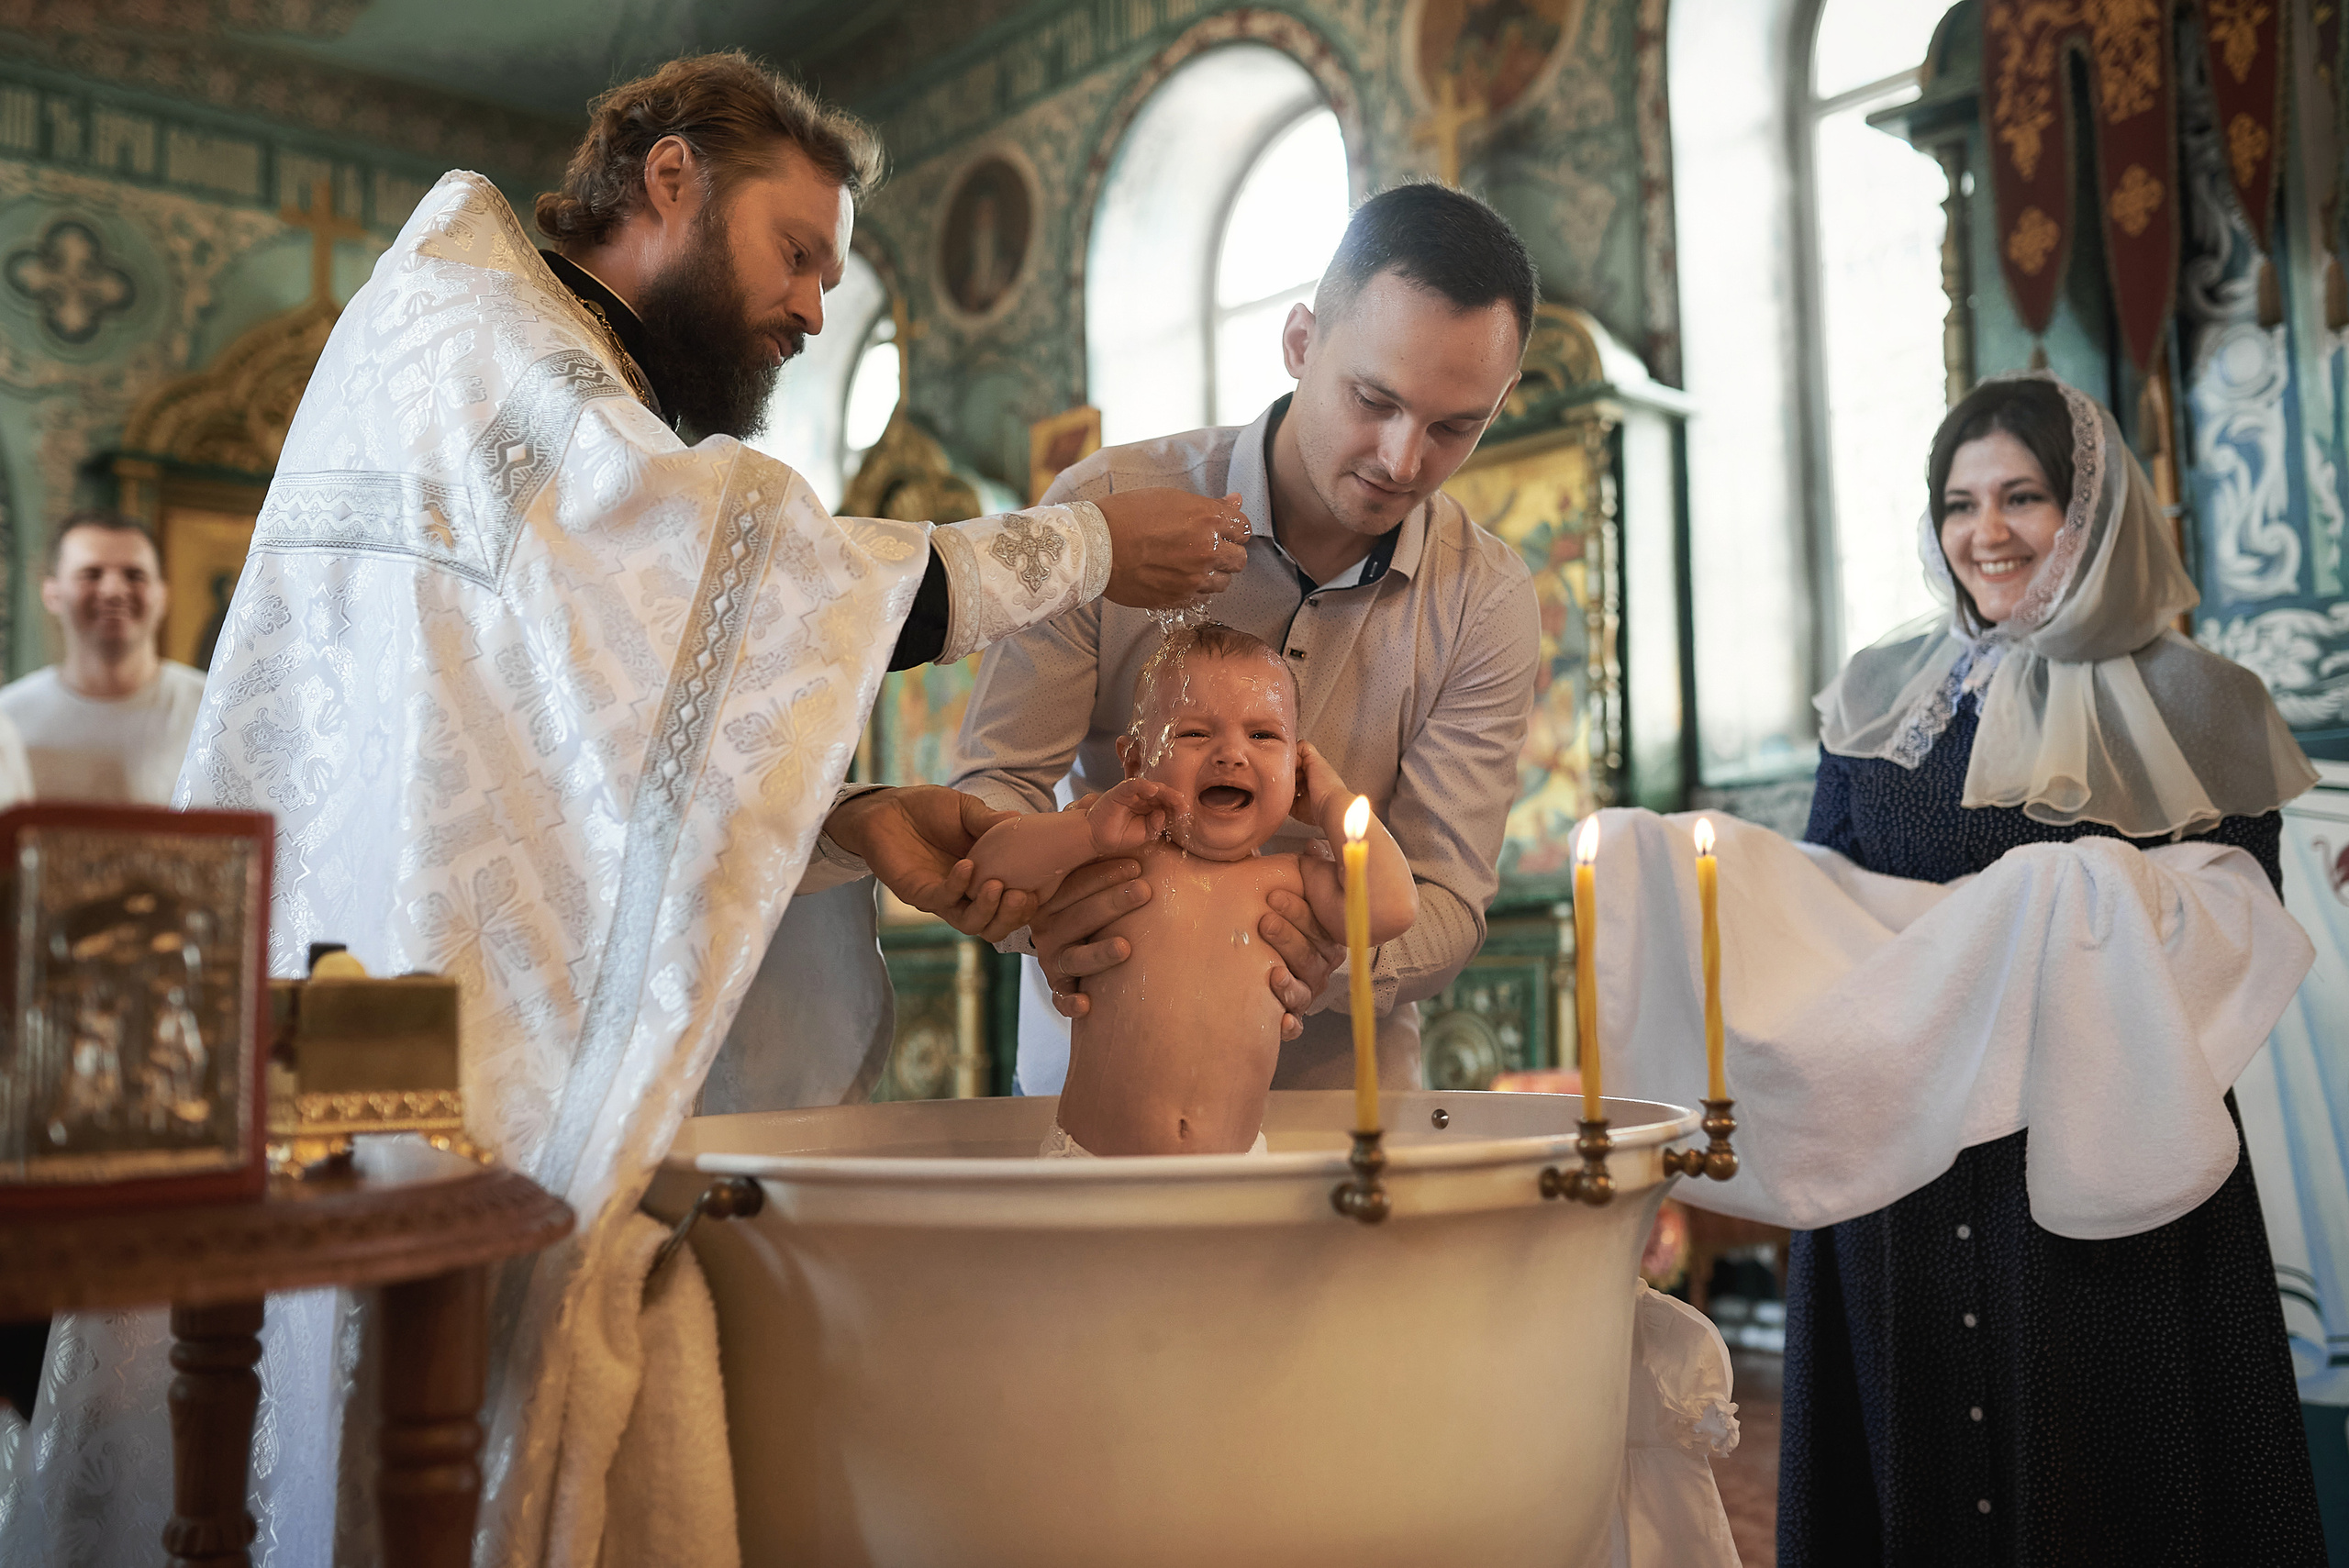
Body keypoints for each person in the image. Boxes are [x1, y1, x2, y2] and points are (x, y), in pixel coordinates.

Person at [0, 52, 1244, 1568]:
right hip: (390, 1046)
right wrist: (1084, 545)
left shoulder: (536, 367)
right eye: (797, 252)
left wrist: (849, 825)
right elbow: (717, 569)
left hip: (412, 1025)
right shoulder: (487, 339)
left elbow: (589, 765)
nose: (809, 306)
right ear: (671, 180)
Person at [1783, 374, 2324, 1563]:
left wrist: (2054, 914)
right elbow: (1820, 908)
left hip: (2108, 1167)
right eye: (1960, 502)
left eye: (2023, 495)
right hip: (1906, 1165)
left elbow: (2233, 936)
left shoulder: (2203, 701)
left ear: (2093, 509)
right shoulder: (1881, 696)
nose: (1986, 533)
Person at [953, 182, 1542, 1098]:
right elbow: (995, 782)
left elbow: (1444, 899)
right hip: (1096, 1080)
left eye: (1452, 427)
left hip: (1338, 1114)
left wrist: (1317, 958)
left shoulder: (1485, 599)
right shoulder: (1100, 510)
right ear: (1302, 344)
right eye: (1374, 399)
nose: (1402, 459)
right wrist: (1049, 915)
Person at [963, 624, 1414, 1156]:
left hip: (1236, 1172)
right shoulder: (1112, 855)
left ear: (1296, 770)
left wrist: (1334, 800)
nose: (1231, 754)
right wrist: (1080, 833)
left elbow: (1392, 907)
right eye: (1195, 733)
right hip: (1090, 1168)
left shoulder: (1291, 882)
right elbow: (988, 869)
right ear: (1135, 762)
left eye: (1263, 736)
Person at [0, 512, 202, 805]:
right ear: (52, 593)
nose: (114, 591)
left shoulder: (214, 711)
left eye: (135, 575)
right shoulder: (8, 720)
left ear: (162, 595)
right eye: (91, 574)